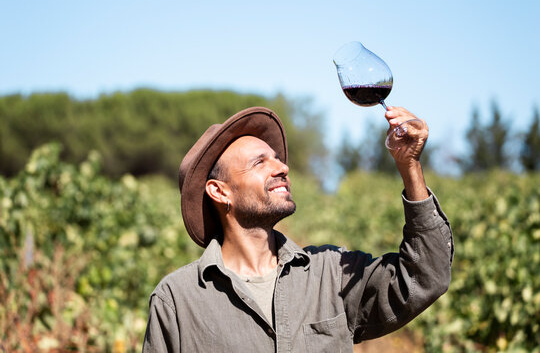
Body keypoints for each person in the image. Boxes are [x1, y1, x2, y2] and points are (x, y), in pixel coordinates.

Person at [142, 106, 453, 352]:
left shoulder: (331, 275)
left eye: (277, 159)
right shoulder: (177, 300)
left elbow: (426, 276)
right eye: (259, 162)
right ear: (219, 192)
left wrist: (410, 168)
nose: (282, 168)